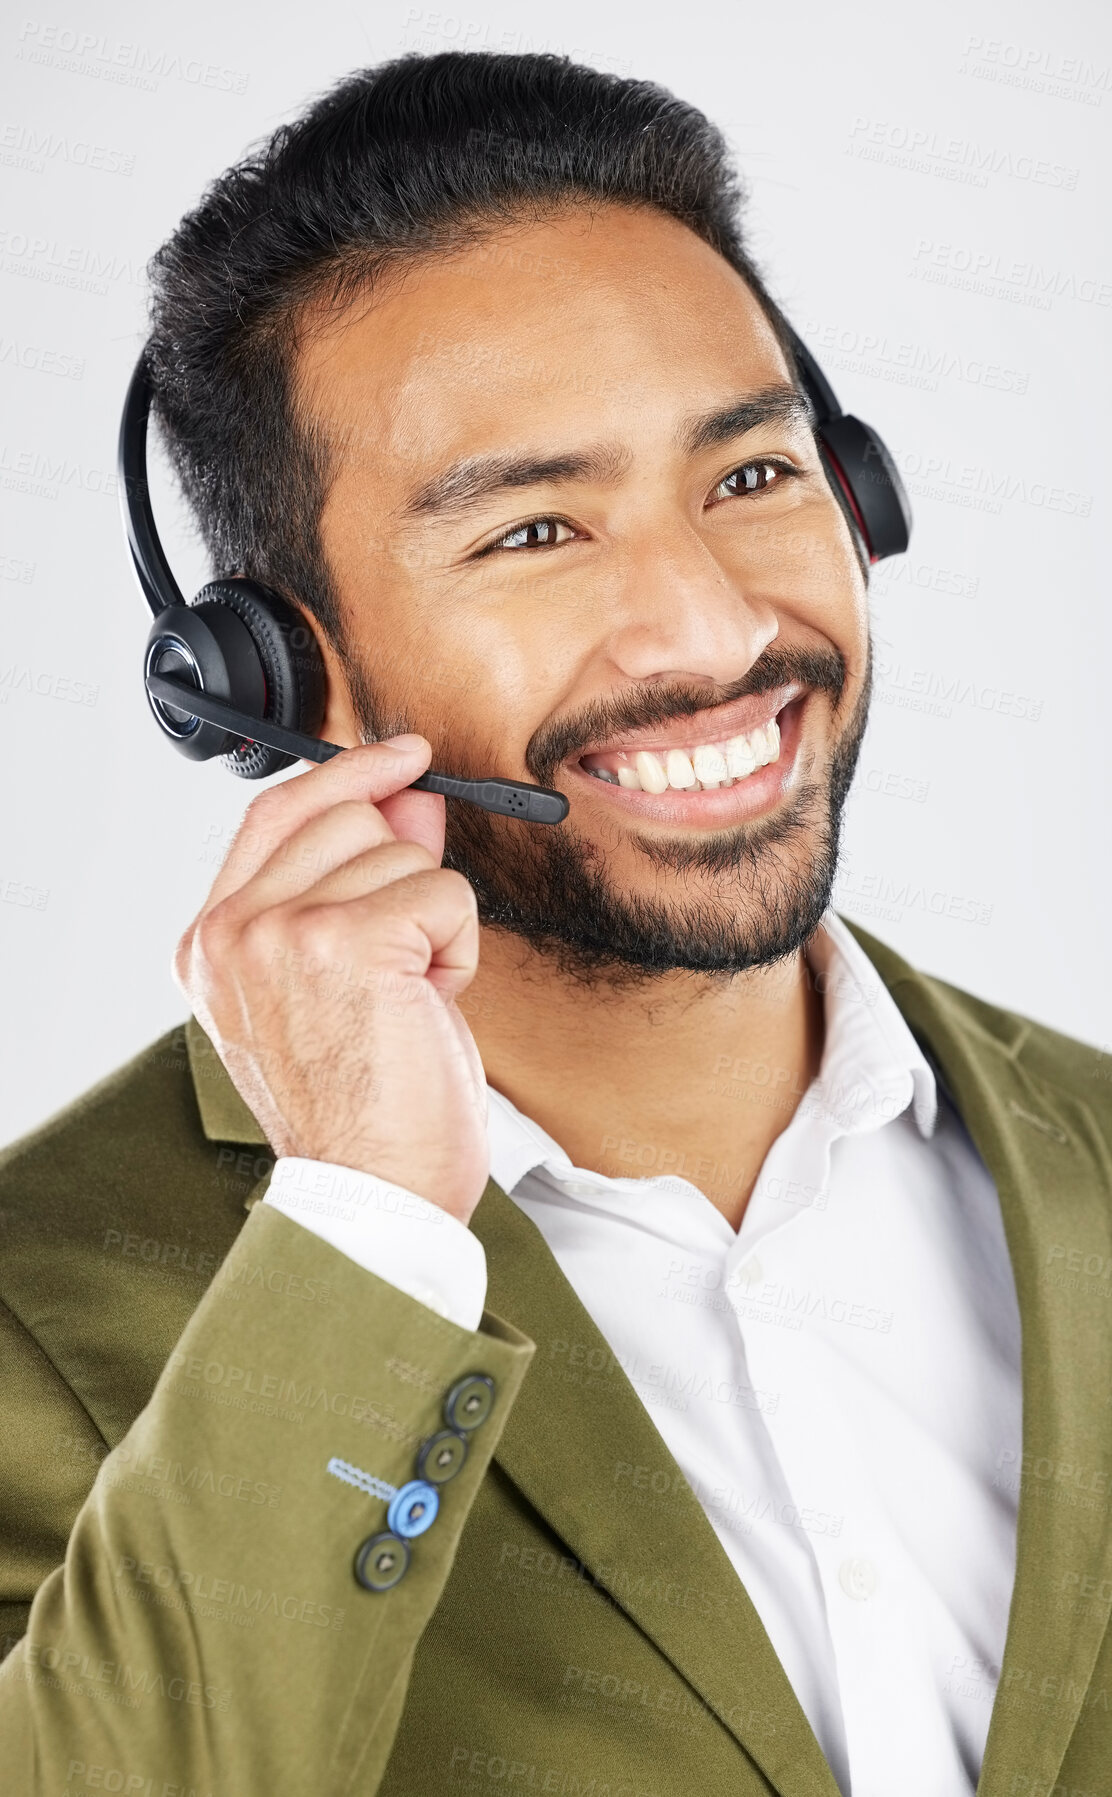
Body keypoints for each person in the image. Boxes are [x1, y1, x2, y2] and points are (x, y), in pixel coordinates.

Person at [1, 50, 1108, 1797]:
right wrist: (361, 1227)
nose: (705, 624)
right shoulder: (37, 1314)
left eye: (751, 478)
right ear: (276, 680)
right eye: (535, 529)